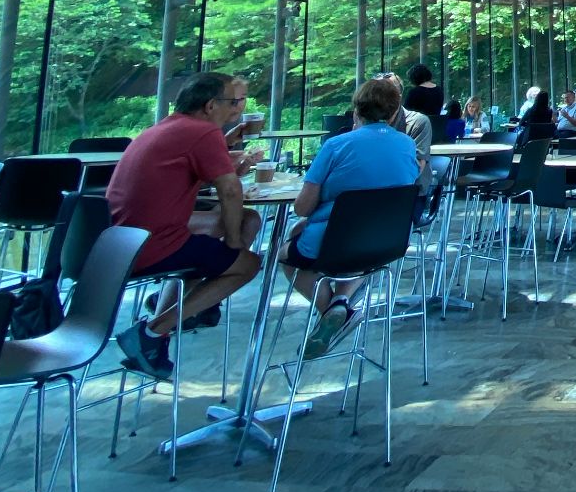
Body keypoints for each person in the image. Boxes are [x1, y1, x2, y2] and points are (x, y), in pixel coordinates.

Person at [109, 71, 265, 380]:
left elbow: (201, 175)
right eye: (230, 103)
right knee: (247, 264)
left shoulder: (163, 129)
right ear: (210, 106)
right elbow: (230, 189)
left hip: (119, 242)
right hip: (153, 244)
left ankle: (190, 308)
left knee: (248, 219)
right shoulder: (201, 133)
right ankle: (154, 331)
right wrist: (233, 242)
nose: (234, 110)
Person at [282, 77, 421, 359]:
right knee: (358, 257)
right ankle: (342, 300)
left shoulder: (336, 145)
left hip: (335, 241)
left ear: (356, 109)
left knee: (286, 253)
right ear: (394, 112)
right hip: (387, 241)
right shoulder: (407, 145)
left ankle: (330, 312)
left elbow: (303, 207)